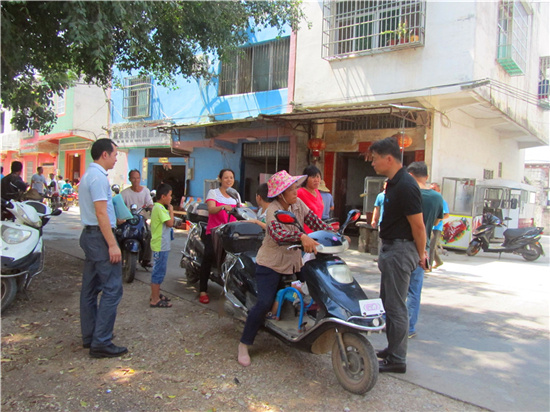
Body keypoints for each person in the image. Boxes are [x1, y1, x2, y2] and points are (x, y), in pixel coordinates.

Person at [237, 170, 335, 367]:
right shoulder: (272, 210)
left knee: (318, 287)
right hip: (271, 263)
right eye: (292, 190)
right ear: (281, 194)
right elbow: (279, 235)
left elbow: (314, 221)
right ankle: (244, 344)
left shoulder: (298, 204)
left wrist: (332, 234)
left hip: (294, 261)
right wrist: (301, 236)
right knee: (264, 303)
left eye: (296, 188)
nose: (296, 192)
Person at [369, 137, 426, 374]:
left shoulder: (406, 186)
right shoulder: (393, 183)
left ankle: (397, 359)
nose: (372, 163)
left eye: (375, 159)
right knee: (389, 303)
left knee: (396, 307)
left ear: (389, 159)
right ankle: (392, 349)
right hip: (391, 248)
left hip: (401, 250)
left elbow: (418, 226)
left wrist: (421, 255)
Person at [78, 138, 127, 358]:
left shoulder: (89, 175)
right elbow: (100, 213)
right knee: (113, 288)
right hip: (99, 237)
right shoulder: (98, 177)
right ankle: (101, 341)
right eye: (115, 154)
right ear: (104, 154)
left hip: (91, 235)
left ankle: (90, 336)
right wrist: (112, 244)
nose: (116, 159)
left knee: (89, 289)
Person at [406, 162, 444, 339]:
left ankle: (390, 323)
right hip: (424, 247)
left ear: (410, 175)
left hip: (403, 245)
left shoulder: (407, 193)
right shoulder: (437, 197)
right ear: (427, 177)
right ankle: (409, 328)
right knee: (414, 290)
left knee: (396, 290)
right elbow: (436, 222)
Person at [199, 169, 240, 304]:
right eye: (226, 177)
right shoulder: (213, 193)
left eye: (231, 177)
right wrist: (223, 207)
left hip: (231, 233)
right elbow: (211, 209)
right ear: (220, 179)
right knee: (208, 255)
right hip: (214, 232)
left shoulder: (236, 195)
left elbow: (239, 211)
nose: (229, 180)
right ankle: (203, 290)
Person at [149, 183, 175, 308]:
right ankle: (155, 299)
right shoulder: (159, 208)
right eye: (169, 195)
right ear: (163, 196)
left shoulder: (157, 207)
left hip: (161, 244)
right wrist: (171, 210)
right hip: (161, 245)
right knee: (158, 272)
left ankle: (155, 294)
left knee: (159, 270)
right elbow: (170, 223)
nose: (171, 198)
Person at [121, 169, 154, 267]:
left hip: (141, 218)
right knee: (118, 232)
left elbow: (150, 204)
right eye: (133, 178)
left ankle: (146, 259)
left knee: (148, 234)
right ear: (130, 179)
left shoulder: (145, 191)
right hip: (127, 218)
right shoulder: (124, 193)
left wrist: (150, 208)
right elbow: (119, 205)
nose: (136, 180)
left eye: (138, 178)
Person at [297, 165, 324, 233]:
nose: (316, 180)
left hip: (317, 231)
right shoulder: (300, 192)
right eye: (313, 177)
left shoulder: (317, 192)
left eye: (318, 176)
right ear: (306, 179)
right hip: (305, 232)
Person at [429, 183, 450, 269]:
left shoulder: (442, 201)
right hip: (428, 226)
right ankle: (438, 261)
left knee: (431, 246)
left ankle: (429, 266)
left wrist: (437, 219)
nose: (432, 191)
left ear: (439, 190)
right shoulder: (429, 200)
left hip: (436, 227)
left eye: (434, 189)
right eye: (431, 189)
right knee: (431, 246)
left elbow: (446, 215)